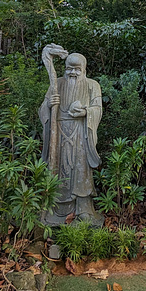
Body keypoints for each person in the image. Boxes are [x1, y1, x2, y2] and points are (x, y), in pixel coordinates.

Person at [39, 52, 103, 225]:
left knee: (81, 167)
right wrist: (49, 104)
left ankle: (83, 208)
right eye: (69, 68)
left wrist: (86, 112)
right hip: (58, 133)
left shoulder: (92, 85)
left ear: (84, 69)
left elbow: (98, 108)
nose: (73, 72)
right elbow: (42, 110)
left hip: (81, 132)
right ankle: (55, 209)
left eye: (77, 69)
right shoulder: (57, 84)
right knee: (59, 168)